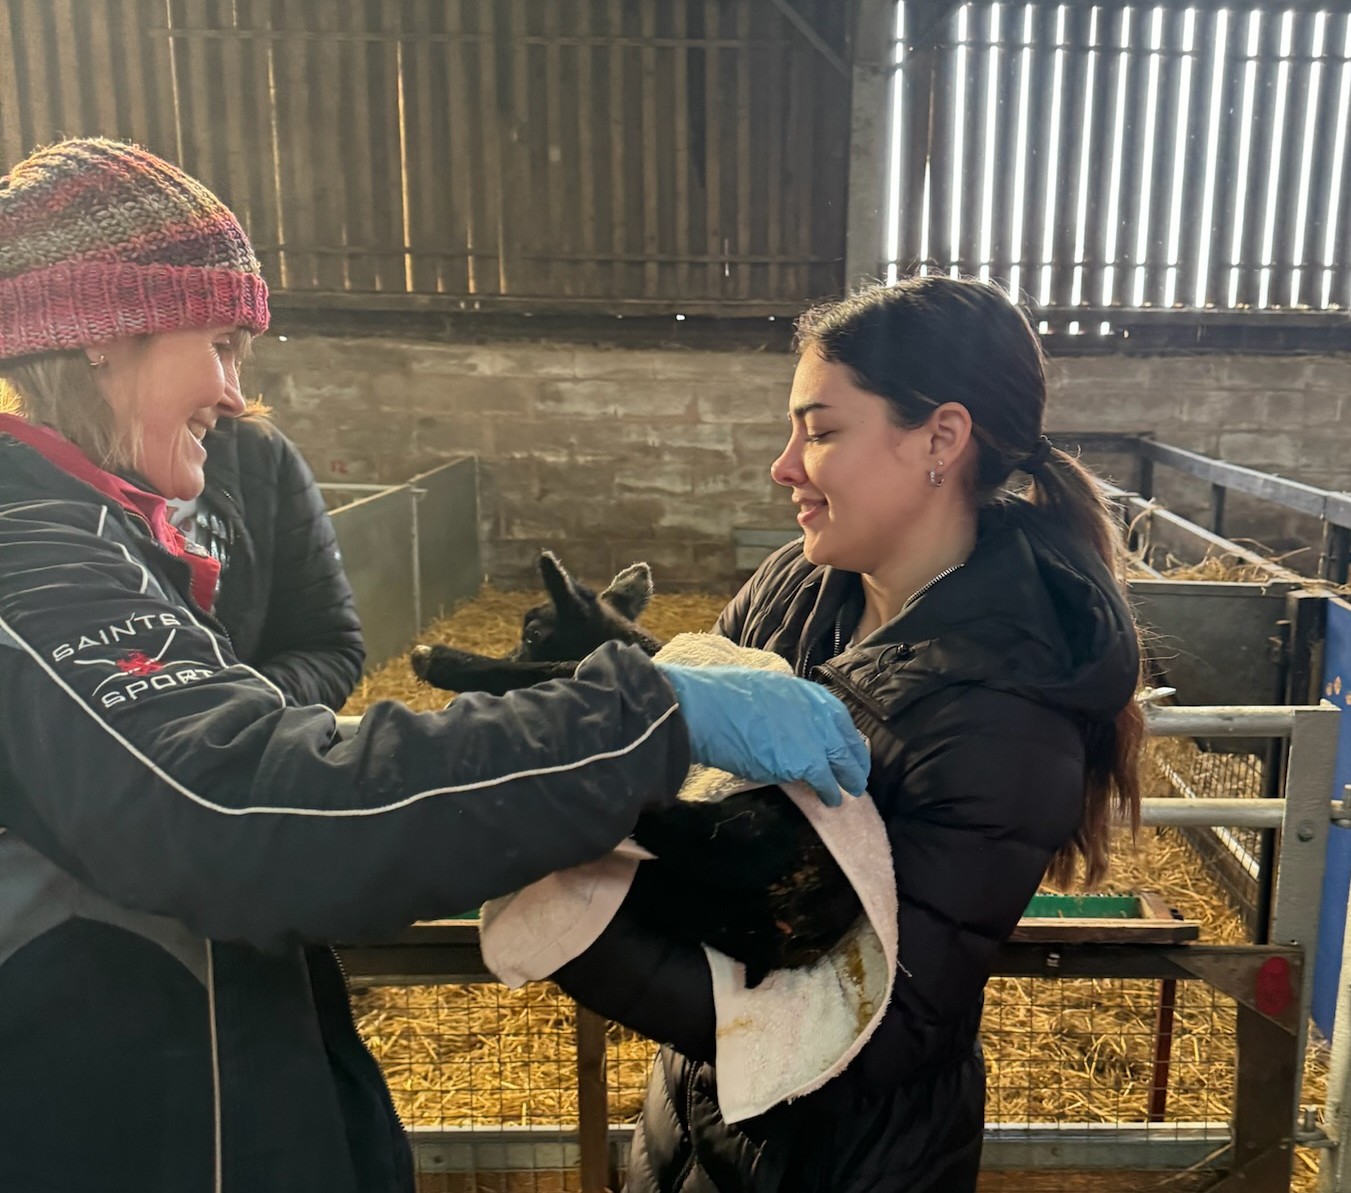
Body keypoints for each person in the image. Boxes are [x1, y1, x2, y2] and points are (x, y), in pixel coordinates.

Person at [0, 137, 870, 1193]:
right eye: (221, 342)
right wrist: (648, 713)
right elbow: (235, 800)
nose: (234, 393)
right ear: (106, 334)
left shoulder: (108, 530)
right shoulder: (28, 549)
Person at [550, 276, 1145, 1192]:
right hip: (691, 1118)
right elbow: (687, 802)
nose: (783, 466)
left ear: (941, 439)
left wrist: (574, 928)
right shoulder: (796, 585)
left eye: (821, 431)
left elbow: (875, 1031)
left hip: (855, 1159)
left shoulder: (1004, 708)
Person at [168, 408, 365, 710]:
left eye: (234, 359)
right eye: (216, 357)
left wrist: (242, 712)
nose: (232, 398)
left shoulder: (257, 451)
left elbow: (326, 644)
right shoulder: (77, 489)